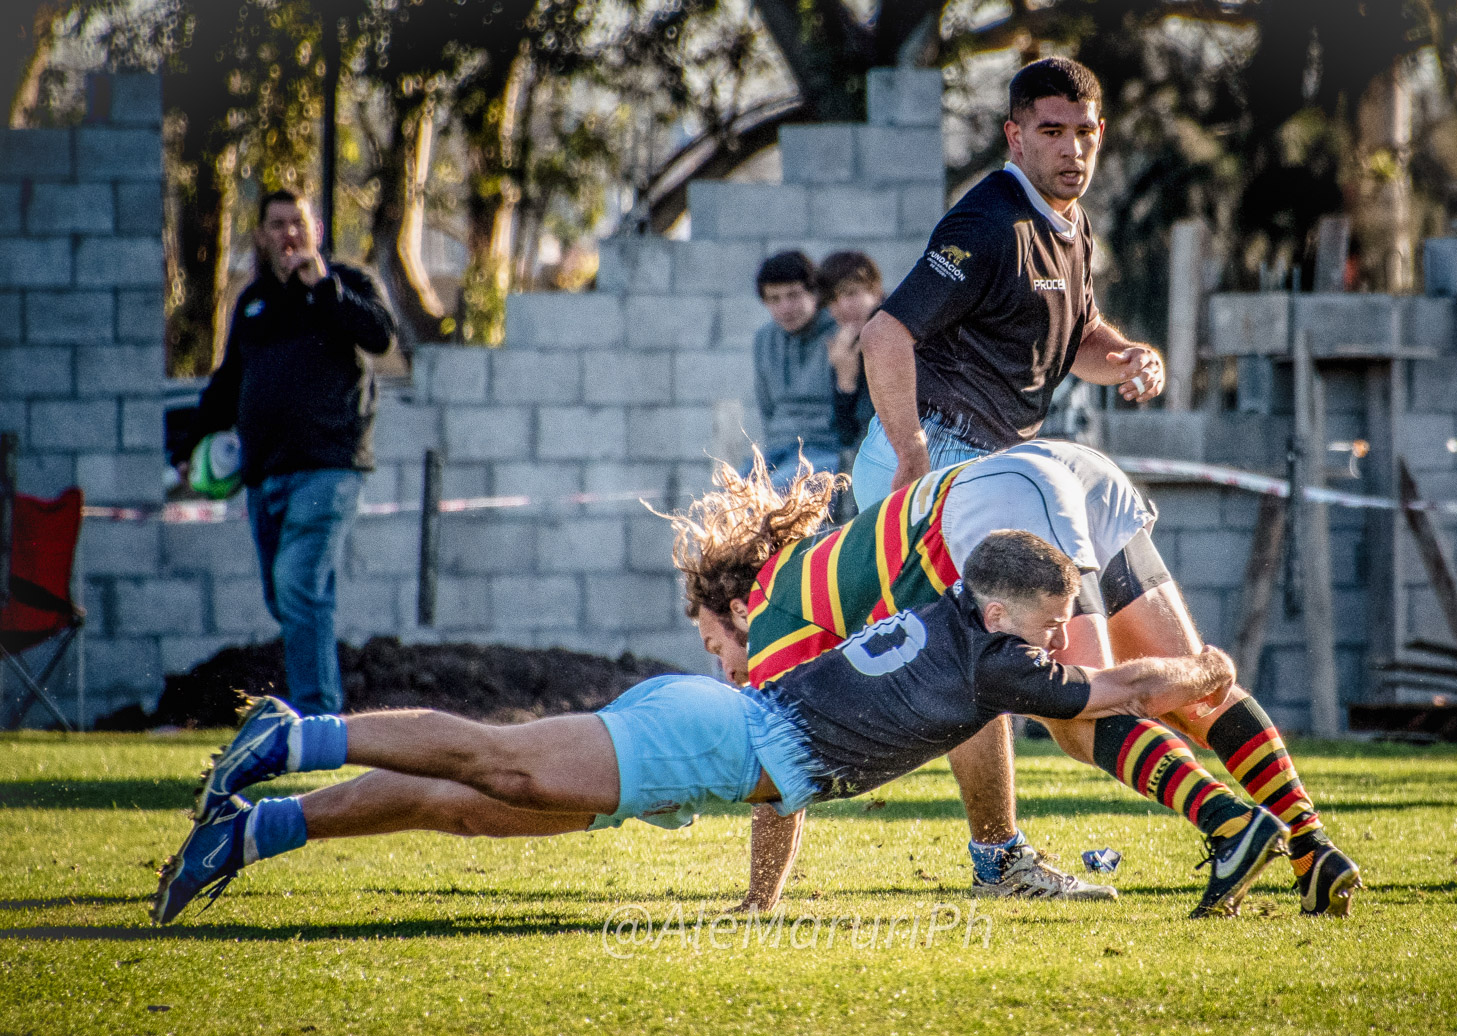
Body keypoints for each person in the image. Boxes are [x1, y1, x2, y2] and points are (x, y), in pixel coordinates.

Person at [153, 531, 1290, 926]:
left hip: (715, 746)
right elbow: (1118, 691)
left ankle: (251, 836)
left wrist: (760, 899)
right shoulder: (999, 659)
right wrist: (1198, 663)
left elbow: (800, 766)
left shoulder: (949, 618)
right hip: (707, 745)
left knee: (467, 804)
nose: (1058, 643)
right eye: (1051, 623)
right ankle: (290, 735)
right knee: (494, 757)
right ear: (1001, 613)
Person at [676, 444, 1361, 916]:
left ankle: (1228, 822)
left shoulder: (773, 606)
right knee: (1197, 698)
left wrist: (759, 898)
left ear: (737, 608)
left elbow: (779, 771)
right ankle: (1311, 845)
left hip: (996, 496)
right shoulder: (828, 570)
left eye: (715, 645)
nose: (728, 670)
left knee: (1074, 709)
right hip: (1072, 470)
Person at [850, 57, 1165, 509]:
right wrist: (912, 452)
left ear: (1101, 133)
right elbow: (883, 335)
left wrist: (1132, 359)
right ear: (1015, 137)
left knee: (1097, 542)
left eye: (1084, 133)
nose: (1072, 150)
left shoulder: (1072, 222)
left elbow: (1078, 339)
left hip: (991, 466)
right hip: (930, 461)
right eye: (1052, 132)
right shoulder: (988, 223)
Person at [191, 190, 397, 716]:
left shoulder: (346, 284)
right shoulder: (253, 302)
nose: (288, 234)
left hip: (329, 471)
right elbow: (228, 384)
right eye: (277, 224)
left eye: (298, 223)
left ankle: (318, 717)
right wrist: (185, 444)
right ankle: (322, 714)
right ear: (261, 234)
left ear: (317, 230)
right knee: (288, 598)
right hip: (266, 477)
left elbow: (379, 337)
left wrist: (323, 287)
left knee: (298, 585)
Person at [751, 250, 846, 485]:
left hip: (825, 451)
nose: (785, 307)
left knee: (776, 493)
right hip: (776, 451)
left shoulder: (840, 334)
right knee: (726, 499)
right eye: (774, 299)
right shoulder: (764, 339)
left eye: (793, 295)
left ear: (814, 293)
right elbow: (767, 407)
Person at [816, 250, 881, 457]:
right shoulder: (845, 343)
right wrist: (845, 382)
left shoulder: (899, 334)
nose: (843, 306)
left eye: (851, 293)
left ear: (875, 292)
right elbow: (845, 437)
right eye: (833, 300)